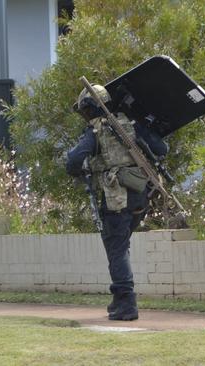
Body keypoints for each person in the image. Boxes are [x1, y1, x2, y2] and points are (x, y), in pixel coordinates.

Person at [66, 84, 169, 321]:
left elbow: (73, 162)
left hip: (116, 198)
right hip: (141, 195)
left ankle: (126, 303)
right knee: (120, 245)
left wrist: (85, 169)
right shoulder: (132, 125)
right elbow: (162, 148)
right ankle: (119, 300)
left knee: (117, 248)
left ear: (90, 109)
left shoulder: (95, 131)